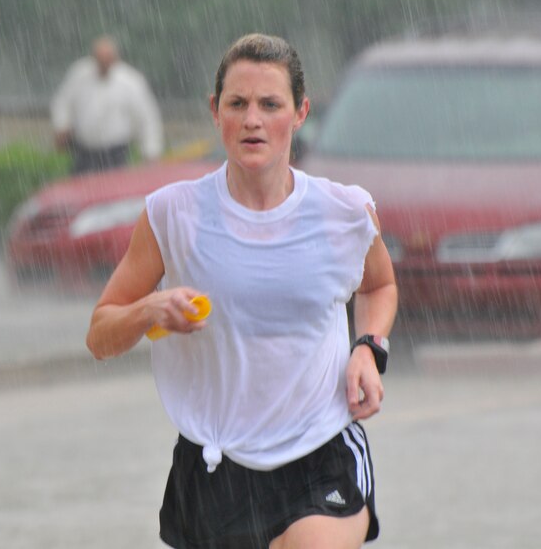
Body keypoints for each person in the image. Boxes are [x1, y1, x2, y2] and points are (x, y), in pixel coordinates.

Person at [86, 34, 397, 548]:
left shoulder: (343, 212)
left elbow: (380, 284)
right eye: (238, 103)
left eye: (270, 104)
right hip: (214, 468)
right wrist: (150, 309)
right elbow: (100, 335)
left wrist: (369, 346)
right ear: (215, 111)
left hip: (319, 452)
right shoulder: (173, 214)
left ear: (299, 113)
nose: (253, 119)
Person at [51, 35, 164, 174]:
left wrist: (150, 152)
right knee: (81, 191)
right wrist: (62, 126)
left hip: (115, 153)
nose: (103, 65)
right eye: (99, 60)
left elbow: (146, 118)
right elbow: (62, 102)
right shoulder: (79, 74)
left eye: (107, 60)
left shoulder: (131, 82)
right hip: (84, 152)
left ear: (115, 59)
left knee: (114, 193)